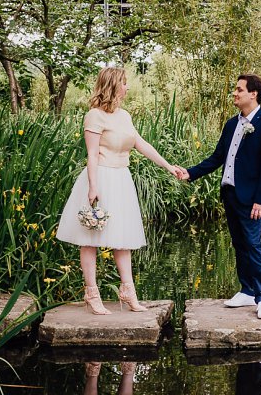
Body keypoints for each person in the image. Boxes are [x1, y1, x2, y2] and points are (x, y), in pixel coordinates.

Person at [57, 67, 184, 314]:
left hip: (122, 179)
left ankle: (128, 291)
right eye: (124, 83)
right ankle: (92, 293)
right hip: (101, 177)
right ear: (113, 85)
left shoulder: (124, 116)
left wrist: (169, 166)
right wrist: (93, 187)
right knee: (90, 238)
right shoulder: (94, 116)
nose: (127, 87)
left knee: (122, 239)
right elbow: (92, 154)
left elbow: (140, 144)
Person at [176, 74, 261, 320]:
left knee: (253, 244)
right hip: (230, 194)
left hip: (252, 198)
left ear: (253, 94)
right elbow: (217, 158)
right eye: (235, 89)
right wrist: (190, 173)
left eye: (239, 89)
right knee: (239, 244)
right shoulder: (231, 124)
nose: (235, 93)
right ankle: (246, 290)